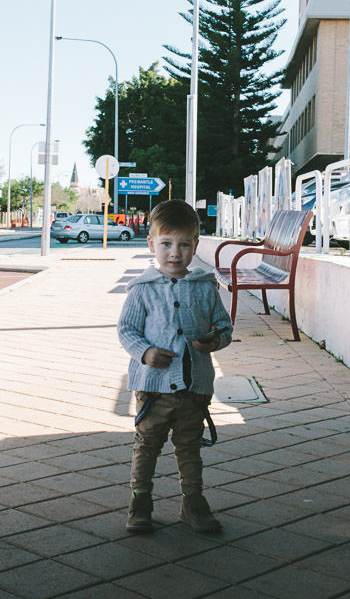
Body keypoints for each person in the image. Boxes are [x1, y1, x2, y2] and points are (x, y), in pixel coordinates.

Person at [117, 200, 233, 533]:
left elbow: (223, 326)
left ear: (195, 246)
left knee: (190, 448)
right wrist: (145, 352)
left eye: (184, 244)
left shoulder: (204, 288)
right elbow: (127, 330)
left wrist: (215, 340)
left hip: (193, 388)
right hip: (153, 388)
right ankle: (140, 502)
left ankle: (194, 504)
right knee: (147, 445)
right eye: (166, 243)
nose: (174, 253)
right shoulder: (142, 289)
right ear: (152, 244)